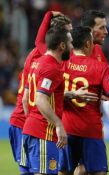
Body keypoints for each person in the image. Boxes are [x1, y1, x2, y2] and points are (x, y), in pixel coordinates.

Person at [58, 26, 109, 175]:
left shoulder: (62, 64)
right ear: (88, 44)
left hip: (67, 127)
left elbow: (50, 92)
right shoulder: (100, 67)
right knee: (98, 171)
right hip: (91, 130)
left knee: (64, 171)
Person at [9, 11, 72, 175]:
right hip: (32, 123)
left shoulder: (37, 59)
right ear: (60, 40)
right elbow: (40, 98)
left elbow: (27, 97)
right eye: (68, 34)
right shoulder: (48, 63)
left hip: (27, 121)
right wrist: (56, 123)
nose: (72, 40)